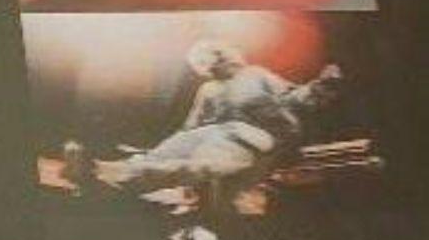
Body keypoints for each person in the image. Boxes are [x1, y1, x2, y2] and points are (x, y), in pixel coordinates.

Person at [93, 38, 342, 206]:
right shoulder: (209, 89)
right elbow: (190, 128)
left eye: (214, 61)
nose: (212, 69)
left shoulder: (255, 75)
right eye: (206, 66)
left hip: (254, 137)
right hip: (217, 132)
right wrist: (162, 148)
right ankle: (126, 167)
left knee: (199, 165)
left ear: (225, 58)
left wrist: (319, 86)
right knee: (180, 144)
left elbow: (292, 97)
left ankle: (134, 175)